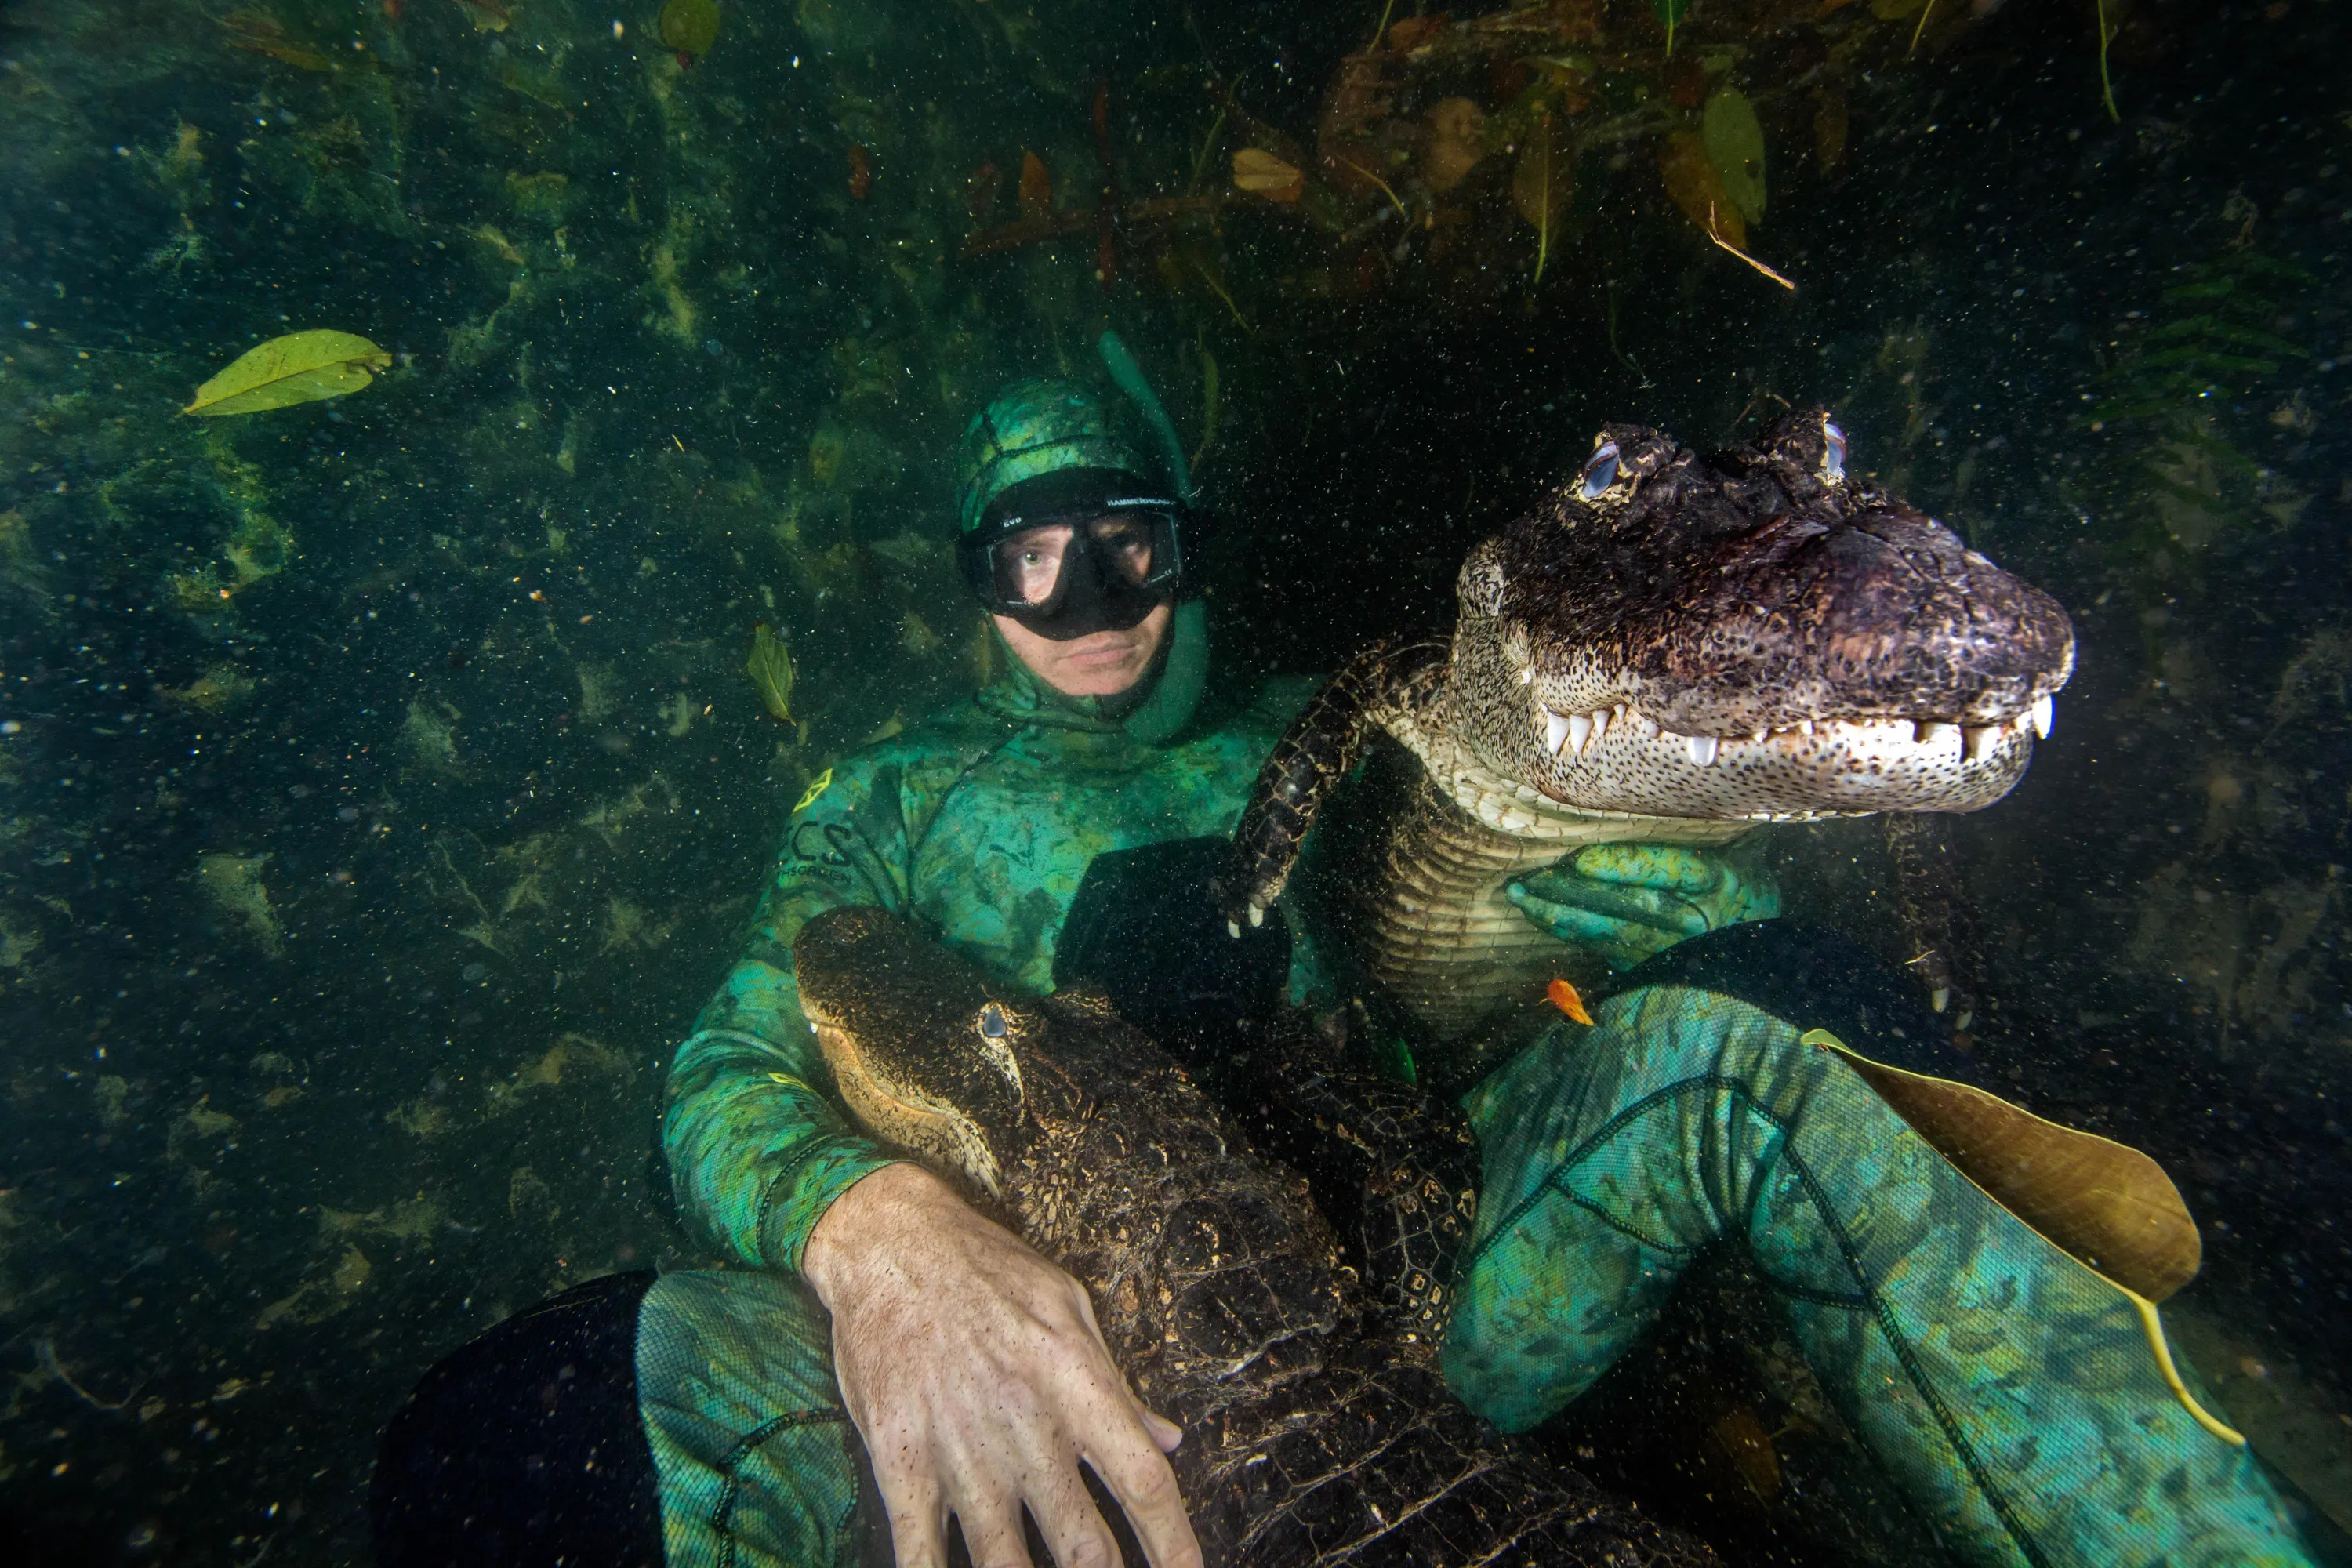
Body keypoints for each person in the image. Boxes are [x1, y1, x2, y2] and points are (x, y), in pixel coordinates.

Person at [374, 368, 2315, 1568]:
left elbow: (1551, 954)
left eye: (1124, 541)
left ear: (1186, 544)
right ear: (975, 577)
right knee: (536, 1424)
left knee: (1779, 1053)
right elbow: (722, 1067)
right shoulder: (880, 804)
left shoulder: (1348, 724)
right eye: (1031, 557)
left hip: (1419, 1283)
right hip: (1048, 1365)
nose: (1088, 603)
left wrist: (1645, 924)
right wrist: (878, 1237)